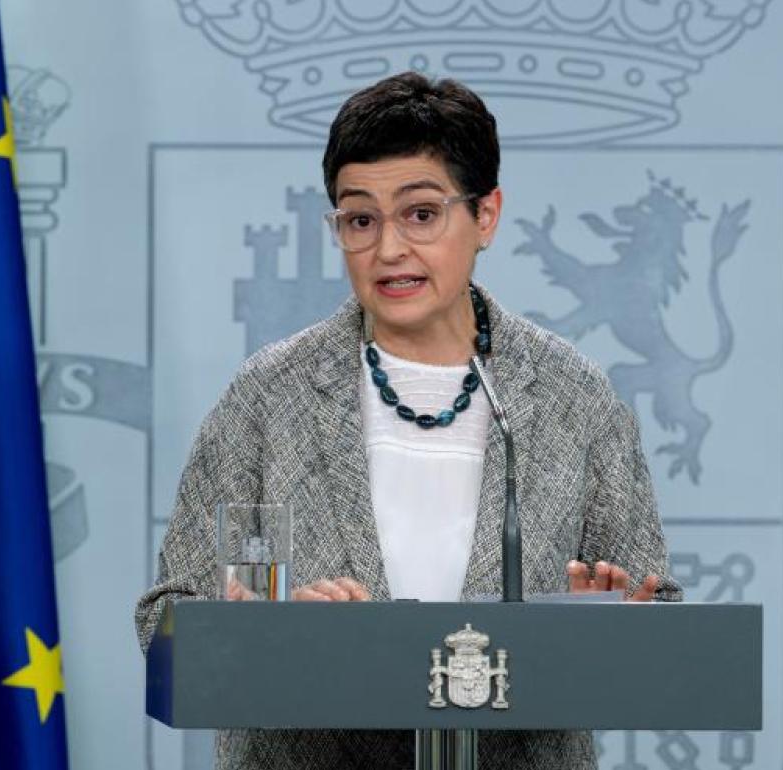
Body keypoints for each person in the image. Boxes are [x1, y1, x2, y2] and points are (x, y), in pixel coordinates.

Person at [136, 71, 681, 770]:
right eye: (360, 220)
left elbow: (657, 615)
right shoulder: (268, 396)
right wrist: (261, 630)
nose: (389, 249)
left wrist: (599, 621)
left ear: (486, 215)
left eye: (421, 214)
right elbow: (166, 623)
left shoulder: (574, 396)